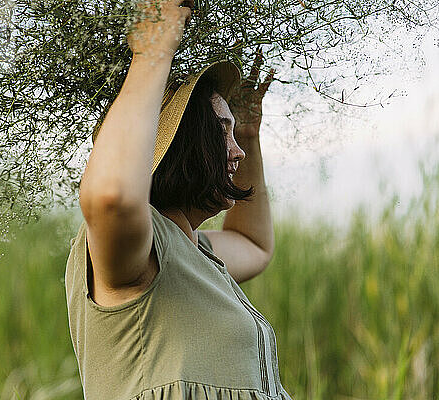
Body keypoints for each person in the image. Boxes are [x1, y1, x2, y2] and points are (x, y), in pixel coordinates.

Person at [64, 0, 292, 398]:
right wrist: (154, 51)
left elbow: (255, 246)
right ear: (180, 146)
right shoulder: (142, 252)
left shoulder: (195, 253)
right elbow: (112, 196)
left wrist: (250, 136)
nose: (236, 152)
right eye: (222, 134)